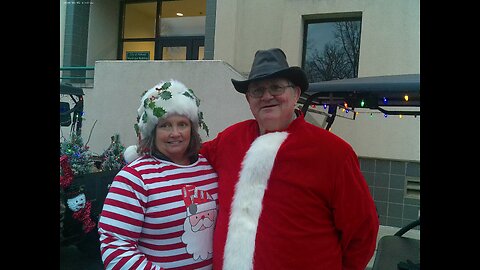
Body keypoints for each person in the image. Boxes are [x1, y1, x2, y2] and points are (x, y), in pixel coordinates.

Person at [199, 48, 379, 270]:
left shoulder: (334, 153)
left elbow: (363, 231)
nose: (266, 96)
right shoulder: (229, 140)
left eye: (276, 87)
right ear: (248, 99)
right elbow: (183, 157)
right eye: (257, 90)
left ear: (296, 93)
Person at [98, 79, 219, 270]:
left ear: (193, 129)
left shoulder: (208, 169)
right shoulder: (134, 178)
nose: (175, 133)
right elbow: (116, 247)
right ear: (152, 131)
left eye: (182, 124)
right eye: (165, 125)